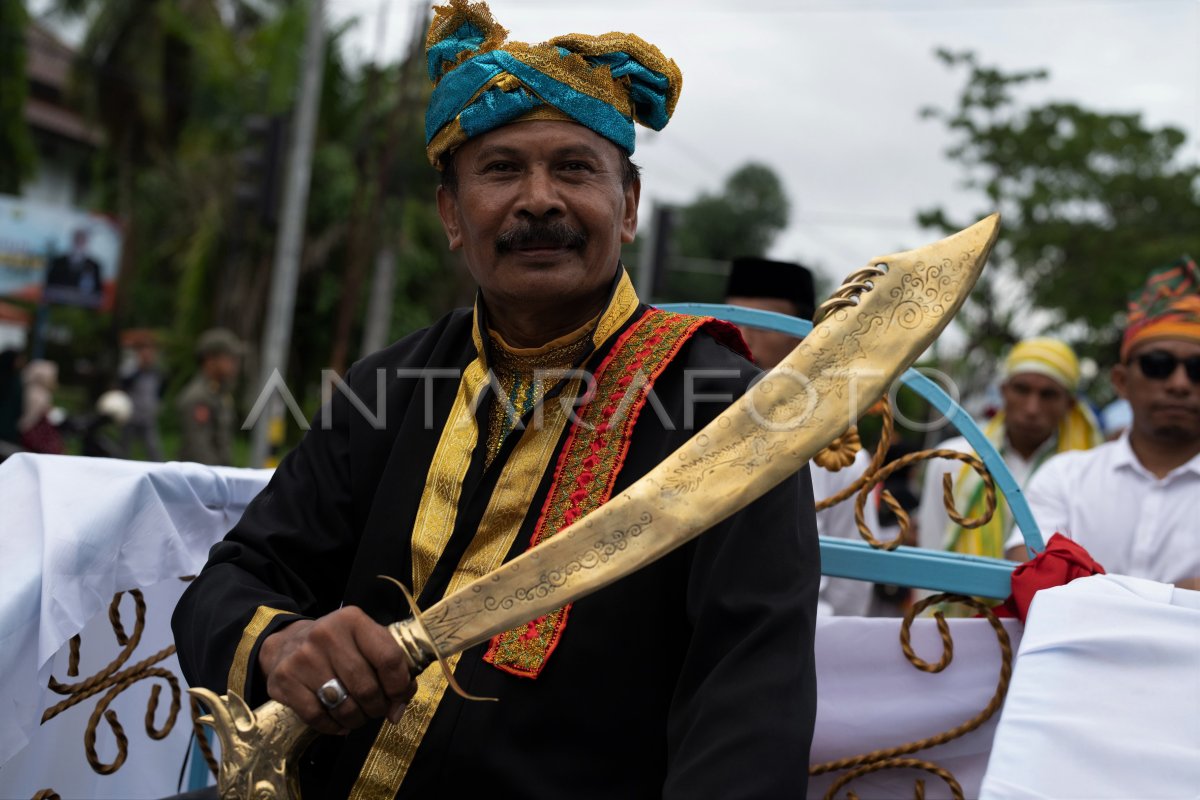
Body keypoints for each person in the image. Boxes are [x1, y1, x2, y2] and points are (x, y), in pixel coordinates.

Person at [172, 3, 819, 798]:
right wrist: (283, 646)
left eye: (576, 168)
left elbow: (748, 709)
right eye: (502, 169)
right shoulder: (389, 387)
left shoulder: (732, 418)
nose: (539, 199)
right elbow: (232, 580)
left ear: (629, 205)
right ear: (452, 213)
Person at [1006, 257, 1200, 589]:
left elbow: (1056, 589)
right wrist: (1177, 599)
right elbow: (1030, 573)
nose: (1179, 384)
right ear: (1122, 381)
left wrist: (1085, 588)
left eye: (1197, 369)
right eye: (1158, 365)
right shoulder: (1065, 477)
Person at [725, 255, 880, 616]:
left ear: (802, 337)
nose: (743, 337)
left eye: (762, 325)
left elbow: (852, 583)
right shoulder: (682, 420)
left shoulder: (838, 451)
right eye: (733, 320)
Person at [917, 337, 1102, 559]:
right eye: (1022, 390)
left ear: (1069, 404)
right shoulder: (953, 459)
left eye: (1048, 395)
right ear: (1004, 391)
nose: (1032, 408)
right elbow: (930, 551)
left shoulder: (1089, 473)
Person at [176, 328, 242, 465]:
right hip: (201, 480)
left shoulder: (219, 392)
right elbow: (200, 451)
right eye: (230, 358)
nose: (235, 364)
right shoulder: (198, 397)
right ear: (210, 360)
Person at [120, 331, 165, 460]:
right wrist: (139, 369)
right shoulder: (130, 370)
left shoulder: (157, 372)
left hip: (148, 417)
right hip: (131, 416)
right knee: (124, 449)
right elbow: (123, 386)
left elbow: (160, 391)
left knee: (154, 450)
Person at [45, 228, 104, 308]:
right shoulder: (58, 262)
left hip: (83, 310)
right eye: (77, 240)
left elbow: (98, 294)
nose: (79, 243)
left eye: (82, 240)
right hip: (57, 306)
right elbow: (49, 287)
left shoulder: (94, 265)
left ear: (86, 242)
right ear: (72, 241)